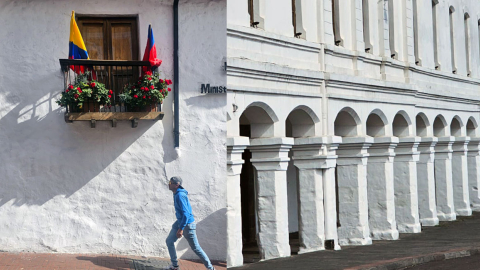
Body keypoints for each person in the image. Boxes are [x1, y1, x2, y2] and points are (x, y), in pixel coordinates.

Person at [165, 176, 216, 270]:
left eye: (171, 183)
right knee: (169, 241)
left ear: (177, 185)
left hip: (187, 225)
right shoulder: (176, 193)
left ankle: (211, 268)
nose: (169, 184)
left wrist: (181, 228)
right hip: (180, 222)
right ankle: (175, 266)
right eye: (169, 182)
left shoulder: (180, 195)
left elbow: (186, 213)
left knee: (196, 248)